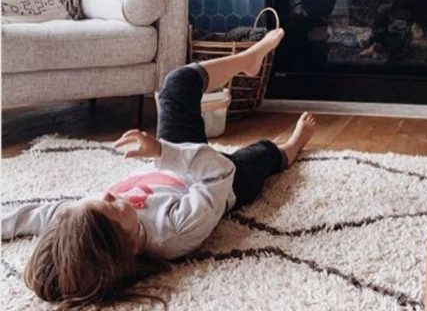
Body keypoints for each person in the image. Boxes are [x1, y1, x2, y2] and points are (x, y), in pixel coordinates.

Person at [1, 28, 318, 309]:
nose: (110, 193)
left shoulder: (83, 222)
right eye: (115, 204)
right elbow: (220, 172)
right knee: (260, 154)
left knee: (176, 83)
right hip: (220, 184)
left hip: (174, 163)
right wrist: (163, 152)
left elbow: (33, 215)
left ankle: (249, 58)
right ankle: (291, 149)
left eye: (102, 197)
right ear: (132, 244)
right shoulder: (174, 232)